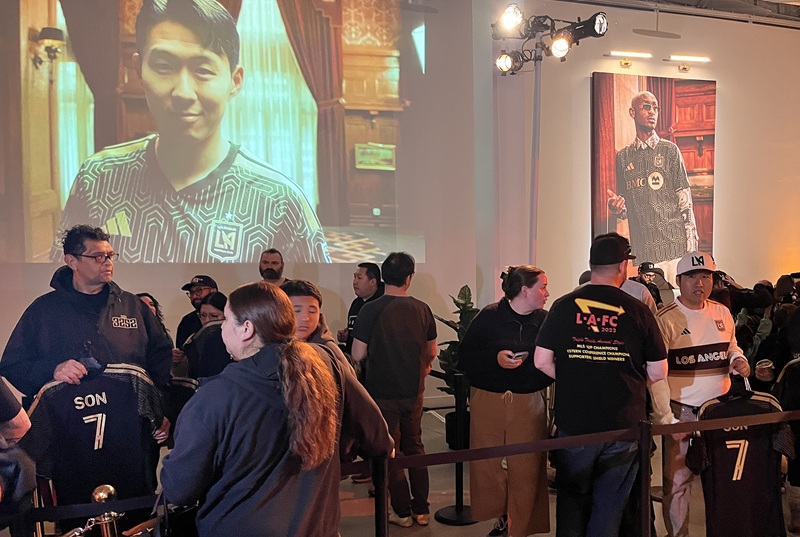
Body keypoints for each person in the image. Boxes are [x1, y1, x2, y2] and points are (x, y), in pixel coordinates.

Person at [50, 0, 330, 263]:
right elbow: (60, 279)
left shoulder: (280, 202)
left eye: (203, 70)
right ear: (139, 69)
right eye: (164, 66)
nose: (183, 93)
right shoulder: (98, 178)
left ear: (234, 81)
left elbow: (313, 295)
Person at [160, 282, 392, 536]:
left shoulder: (214, 397)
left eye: (226, 319)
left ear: (246, 329)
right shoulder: (328, 364)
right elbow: (378, 437)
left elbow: (179, 489)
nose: (221, 327)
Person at [534, 232, 669, 537]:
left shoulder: (563, 306)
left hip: (575, 422)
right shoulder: (638, 310)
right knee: (610, 504)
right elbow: (659, 370)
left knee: (572, 500)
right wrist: (630, 382)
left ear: (591, 264)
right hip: (623, 423)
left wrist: (573, 377)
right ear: (622, 266)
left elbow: (541, 361)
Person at [0, 225, 172, 428]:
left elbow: (161, 360)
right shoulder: (44, 310)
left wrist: (160, 409)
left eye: (110, 256)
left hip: (129, 427)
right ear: (72, 261)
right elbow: (13, 365)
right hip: (65, 428)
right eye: (98, 257)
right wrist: (53, 370)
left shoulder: (133, 307)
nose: (108, 262)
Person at [652, 251, 750, 537]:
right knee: (677, 483)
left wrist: (737, 359)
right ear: (678, 281)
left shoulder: (721, 312)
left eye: (706, 276)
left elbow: (731, 345)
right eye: (692, 276)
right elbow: (655, 375)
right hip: (682, 412)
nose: (700, 283)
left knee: (722, 479)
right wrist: (666, 419)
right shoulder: (665, 319)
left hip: (719, 411)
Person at [459, 265, 553, 537]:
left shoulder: (545, 320)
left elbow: (554, 360)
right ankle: (500, 515)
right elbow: (465, 357)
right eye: (542, 287)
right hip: (488, 398)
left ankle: (519, 527)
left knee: (528, 467)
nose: (546, 293)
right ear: (524, 290)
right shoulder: (489, 316)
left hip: (529, 401)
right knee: (486, 464)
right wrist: (495, 358)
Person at [351, 252, 437, 528]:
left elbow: (358, 353)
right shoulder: (422, 309)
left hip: (381, 392)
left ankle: (401, 512)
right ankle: (422, 510)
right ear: (409, 278)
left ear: (383, 278)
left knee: (391, 450)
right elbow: (432, 351)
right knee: (416, 447)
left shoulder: (370, 309)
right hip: (414, 391)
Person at [607, 91, 699, 283]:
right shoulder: (623, 157)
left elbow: (685, 201)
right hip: (644, 253)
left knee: (674, 298)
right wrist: (617, 208)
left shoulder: (669, 150)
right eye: (646, 107)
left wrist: (691, 248)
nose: (652, 112)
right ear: (632, 112)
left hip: (674, 248)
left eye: (655, 108)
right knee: (650, 301)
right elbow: (626, 208)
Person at [280, 280, 349, 368]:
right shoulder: (268, 348)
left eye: (312, 311)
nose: (305, 318)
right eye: (296, 311)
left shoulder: (329, 351)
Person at [181, 291, 232, 380]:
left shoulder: (234, 339)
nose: (207, 320)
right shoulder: (193, 338)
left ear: (226, 315)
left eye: (214, 316)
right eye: (203, 315)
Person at [338, 262, 385, 354]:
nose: (355, 282)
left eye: (359, 278)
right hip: (353, 359)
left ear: (372, 282)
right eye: (354, 277)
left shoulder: (383, 304)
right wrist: (348, 336)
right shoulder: (356, 303)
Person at [176, 275, 218, 348]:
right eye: (191, 292)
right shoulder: (187, 321)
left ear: (213, 291)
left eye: (199, 291)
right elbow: (181, 349)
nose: (194, 296)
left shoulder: (231, 316)